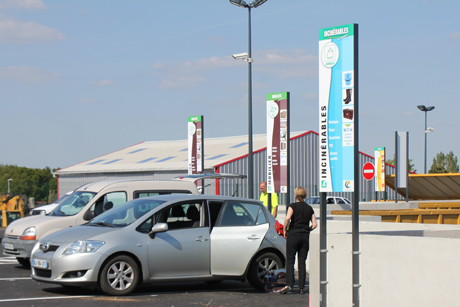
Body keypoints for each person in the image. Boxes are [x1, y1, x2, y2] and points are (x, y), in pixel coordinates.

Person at [280, 186, 317, 294]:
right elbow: (315, 224)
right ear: (305, 196)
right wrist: (307, 229)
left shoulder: (292, 206)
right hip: (304, 236)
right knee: (302, 262)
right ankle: (302, 287)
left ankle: (289, 285)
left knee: (291, 261)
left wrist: (285, 229)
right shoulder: (309, 208)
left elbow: (287, 218)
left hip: (293, 235)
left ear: (295, 196)